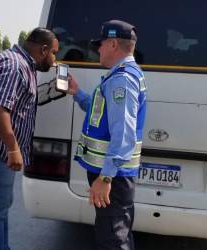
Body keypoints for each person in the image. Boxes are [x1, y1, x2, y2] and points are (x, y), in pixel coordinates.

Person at [0, 27, 59, 250]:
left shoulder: (21, 64)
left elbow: (21, 101)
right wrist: (13, 148)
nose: (54, 61)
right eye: (54, 54)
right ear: (43, 49)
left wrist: (55, 89)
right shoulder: (14, 65)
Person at [67, 20, 147, 250]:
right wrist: (77, 93)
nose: (98, 49)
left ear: (112, 44)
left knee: (113, 239)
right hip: (114, 175)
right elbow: (102, 111)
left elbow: (124, 134)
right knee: (115, 233)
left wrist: (105, 178)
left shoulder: (122, 79)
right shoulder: (121, 75)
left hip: (113, 178)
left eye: (100, 44)